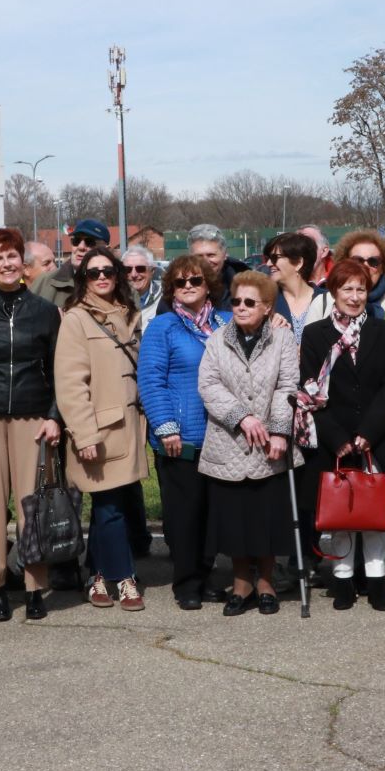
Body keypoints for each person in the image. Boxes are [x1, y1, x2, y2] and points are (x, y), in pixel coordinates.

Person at [0, 227, 63, 622]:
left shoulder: (44, 312)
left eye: (12, 256)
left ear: (23, 263)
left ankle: (35, 586)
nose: (6, 264)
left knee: (32, 504)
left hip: (33, 415)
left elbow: (58, 370)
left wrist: (55, 416)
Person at [296, 260, 385, 611]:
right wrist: (338, 437)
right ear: (334, 293)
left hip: (375, 435)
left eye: (361, 289)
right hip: (334, 435)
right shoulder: (315, 335)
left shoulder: (382, 331)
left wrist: (367, 433)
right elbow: (309, 389)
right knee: (341, 510)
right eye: (347, 289)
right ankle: (343, 579)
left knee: (374, 512)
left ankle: (376, 579)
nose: (355, 296)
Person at [198, 270, 301, 615]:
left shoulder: (283, 340)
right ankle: (241, 582)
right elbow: (209, 386)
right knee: (234, 518)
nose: (240, 308)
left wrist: (279, 432)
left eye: (249, 302)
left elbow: (288, 386)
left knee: (266, 518)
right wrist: (242, 417)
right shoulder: (216, 340)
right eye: (236, 301)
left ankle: (266, 581)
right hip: (228, 443)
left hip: (269, 446)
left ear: (268, 307)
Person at [54, 245, 150, 610]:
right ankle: (124, 578)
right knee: (111, 507)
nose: (102, 278)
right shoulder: (76, 319)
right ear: (83, 279)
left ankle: (95, 575)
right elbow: (70, 383)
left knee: (111, 505)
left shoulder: (129, 313)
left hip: (129, 428)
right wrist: (85, 434)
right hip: (99, 431)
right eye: (93, 273)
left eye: (108, 270)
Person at [138, 254, 231, 608]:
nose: (188, 287)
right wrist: (166, 428)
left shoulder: (226, 323)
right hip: (180, 438)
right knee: (184, 515)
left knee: (213, 513)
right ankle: (186, 582)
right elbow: (151, 381)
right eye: (180, 282)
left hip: (222, 437)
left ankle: (207, 575)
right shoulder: (163, 327)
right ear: (171, 289)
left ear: (208, 285)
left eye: (195, 281)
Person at [32, 217, 110, 306]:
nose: (80, 247)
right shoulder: (44, 282)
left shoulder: (118, 284)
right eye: (76, 241)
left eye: (89, 242)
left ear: (106, 250)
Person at [332, 229, 385, 316]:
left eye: (373, 261)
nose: (365, 266)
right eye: (357, 260)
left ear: (383, 268)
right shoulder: (324, 302)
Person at [268, 231, 323, 336]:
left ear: (298, 263)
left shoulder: (329, 300)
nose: (268, 263)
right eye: (268, 258)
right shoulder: (265, 301)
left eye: (275, 258)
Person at [184, 223, 250, 302]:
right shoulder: (178, 288)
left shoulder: (246, 287)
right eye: (199, 256)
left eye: (211, 255)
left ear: (225, 255)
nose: (205, 262)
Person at [122, 245, 161, 327]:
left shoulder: (165, 299)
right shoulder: (112, 298)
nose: (133, 274)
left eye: (140, 269)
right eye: (127, 269)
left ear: (152, 271)